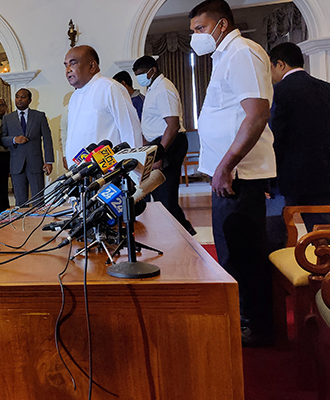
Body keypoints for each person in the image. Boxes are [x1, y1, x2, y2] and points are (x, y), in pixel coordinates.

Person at [190, 0, 276, 345]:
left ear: (221, 25)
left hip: (238, 176)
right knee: (231, 253)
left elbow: (256, 114)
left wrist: (225, 167)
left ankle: (256, 326)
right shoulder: (225, 56)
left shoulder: (241, 52)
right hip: (227, 175)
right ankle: (244, 318)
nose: (195, 37)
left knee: (244, 254)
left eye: (199, 29)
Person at [268, 42, 330, 232]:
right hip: (325, 170)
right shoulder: (326, 89)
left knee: (278, 228)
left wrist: (269, 178)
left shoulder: (278, 92)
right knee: (323, 231)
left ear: (280, 64)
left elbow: (275, 135)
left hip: (291, 174)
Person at [132, 56, 196, 236]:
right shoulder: (154, 88)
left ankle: (181, 232)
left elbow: (173, 125)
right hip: (158, 143)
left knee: (165, 193)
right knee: (159, 194)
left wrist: (159, 154)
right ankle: (181, 229)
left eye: (141, 74)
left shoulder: (164, 89)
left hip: (168, 143)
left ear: (152, 70)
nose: (140, 78)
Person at [63, 45, 142, 167]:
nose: (68, 69)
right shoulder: (75, 96)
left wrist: (132, 168)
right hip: (81, 174)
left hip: (107, 172)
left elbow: (130, 131)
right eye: (66, 65)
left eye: (73, 63)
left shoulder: (110, 87)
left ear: (92, 66)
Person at [0, 88, 54, 207]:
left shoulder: (39, 116)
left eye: (23, 97)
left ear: (30, 100)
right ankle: (23, 224)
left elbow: (47, 139)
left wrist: (48, 161)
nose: (19, 100)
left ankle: (38, 224)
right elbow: (1, 139)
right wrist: (14, 139)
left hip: (35, 163)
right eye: (17, 97)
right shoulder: (8, 118)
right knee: (20, 201)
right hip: (16, 164)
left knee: (38, 200)